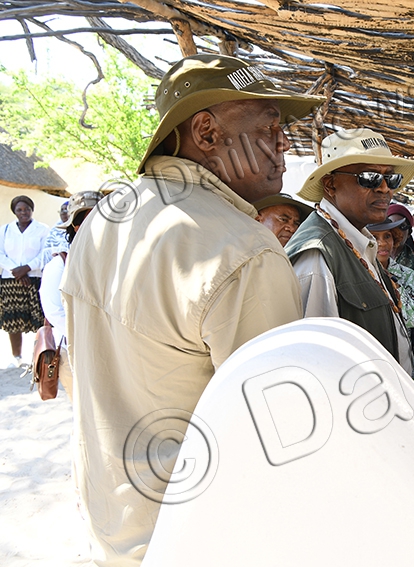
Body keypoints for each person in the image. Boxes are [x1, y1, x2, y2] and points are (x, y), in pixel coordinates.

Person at [61, 54, 321, 566]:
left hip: (113, 527)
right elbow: (282, 437)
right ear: (206, 132)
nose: (284, 145)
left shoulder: (104, 220)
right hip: (200, 537)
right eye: (269, 128)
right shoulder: (243, 250)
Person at [286, 127, 414, 377]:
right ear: (330, 185)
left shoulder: (357, 241)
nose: (384, 189)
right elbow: (317, 366)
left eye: (390, 179)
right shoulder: (318, 254)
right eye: (369, 178)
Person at [39, 191, 104, 402]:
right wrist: (88, 335)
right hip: (74, 349)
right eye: (87, 218)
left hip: (112, 350)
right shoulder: (59, 265)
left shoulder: (115, 260)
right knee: (84, 408)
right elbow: (54, 310)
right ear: (75, 226)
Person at [367, 215, 414, 383]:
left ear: (394, 239)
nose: (382, 243)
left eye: (387, 236)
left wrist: (389, 283)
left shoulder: (411, 276)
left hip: (404, 362)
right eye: (374, 237)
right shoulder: (358, 277)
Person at [0, 195, 50, 368]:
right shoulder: (5, 230)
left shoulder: (42, 229)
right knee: (13, 320)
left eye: (27, 209)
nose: (24, 213)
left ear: (32, 210)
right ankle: (17, 357)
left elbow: (45, 253)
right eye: (19, 210)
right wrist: (17, 271)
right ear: (14, 212)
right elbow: (1, 255)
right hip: (11, 280)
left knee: (38, 319)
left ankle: (38, 356)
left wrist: (27, 268)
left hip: (34, 279)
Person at [386, 203, 414, 273]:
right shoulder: (373, 255)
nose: (396, 232)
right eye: (392, 226)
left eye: (401, 227)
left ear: (409, 232)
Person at [41, 200, 70, 266]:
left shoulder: (77, 229)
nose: (63, 212)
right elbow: (46, 253)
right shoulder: (54, 231)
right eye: (61, 210)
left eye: (66, 209)